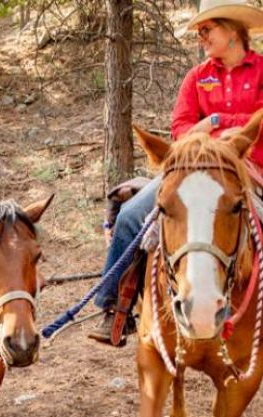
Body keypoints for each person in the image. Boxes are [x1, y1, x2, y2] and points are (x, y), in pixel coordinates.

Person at [89, 0, 263, 345]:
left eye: (206, 30)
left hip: (248, 170)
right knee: (129, 216)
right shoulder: (198, 77)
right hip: (189, 169)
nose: (201, 37)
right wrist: (217, 126)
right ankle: (112, 307)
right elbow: (180, 129)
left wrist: (217, 126)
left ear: (231, 30)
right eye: (199, 32)